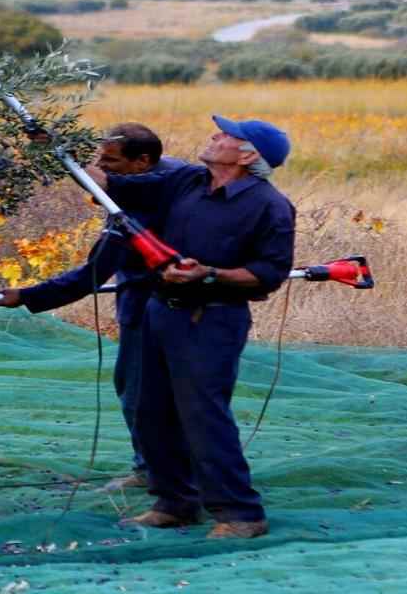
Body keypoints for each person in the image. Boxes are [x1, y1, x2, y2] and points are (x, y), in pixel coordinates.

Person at [89, 115, 294, 540]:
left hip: (212, 318)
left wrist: (210, 274)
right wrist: (62, 150)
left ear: (247, 154)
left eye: (225, 135)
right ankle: (175, 503)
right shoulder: (188, 183)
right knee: (150, 410)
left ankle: (241, 514)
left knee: (203, 415)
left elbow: (269, 273)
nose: (215, 136)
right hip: (159, 310)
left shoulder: (270, 206)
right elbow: (113, 185)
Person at [0, 123, 182, 492]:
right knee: (161, 392)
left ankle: (154, 472)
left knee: (137, 392)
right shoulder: (172, 176)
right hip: (172, 309)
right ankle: (169, 467)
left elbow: (91, 276)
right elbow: (99, 180)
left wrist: (29, 296)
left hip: (148, 311)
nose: (102, 167)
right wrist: (59, 149)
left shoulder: (137, 215)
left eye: (110, 161)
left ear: (142, 161)